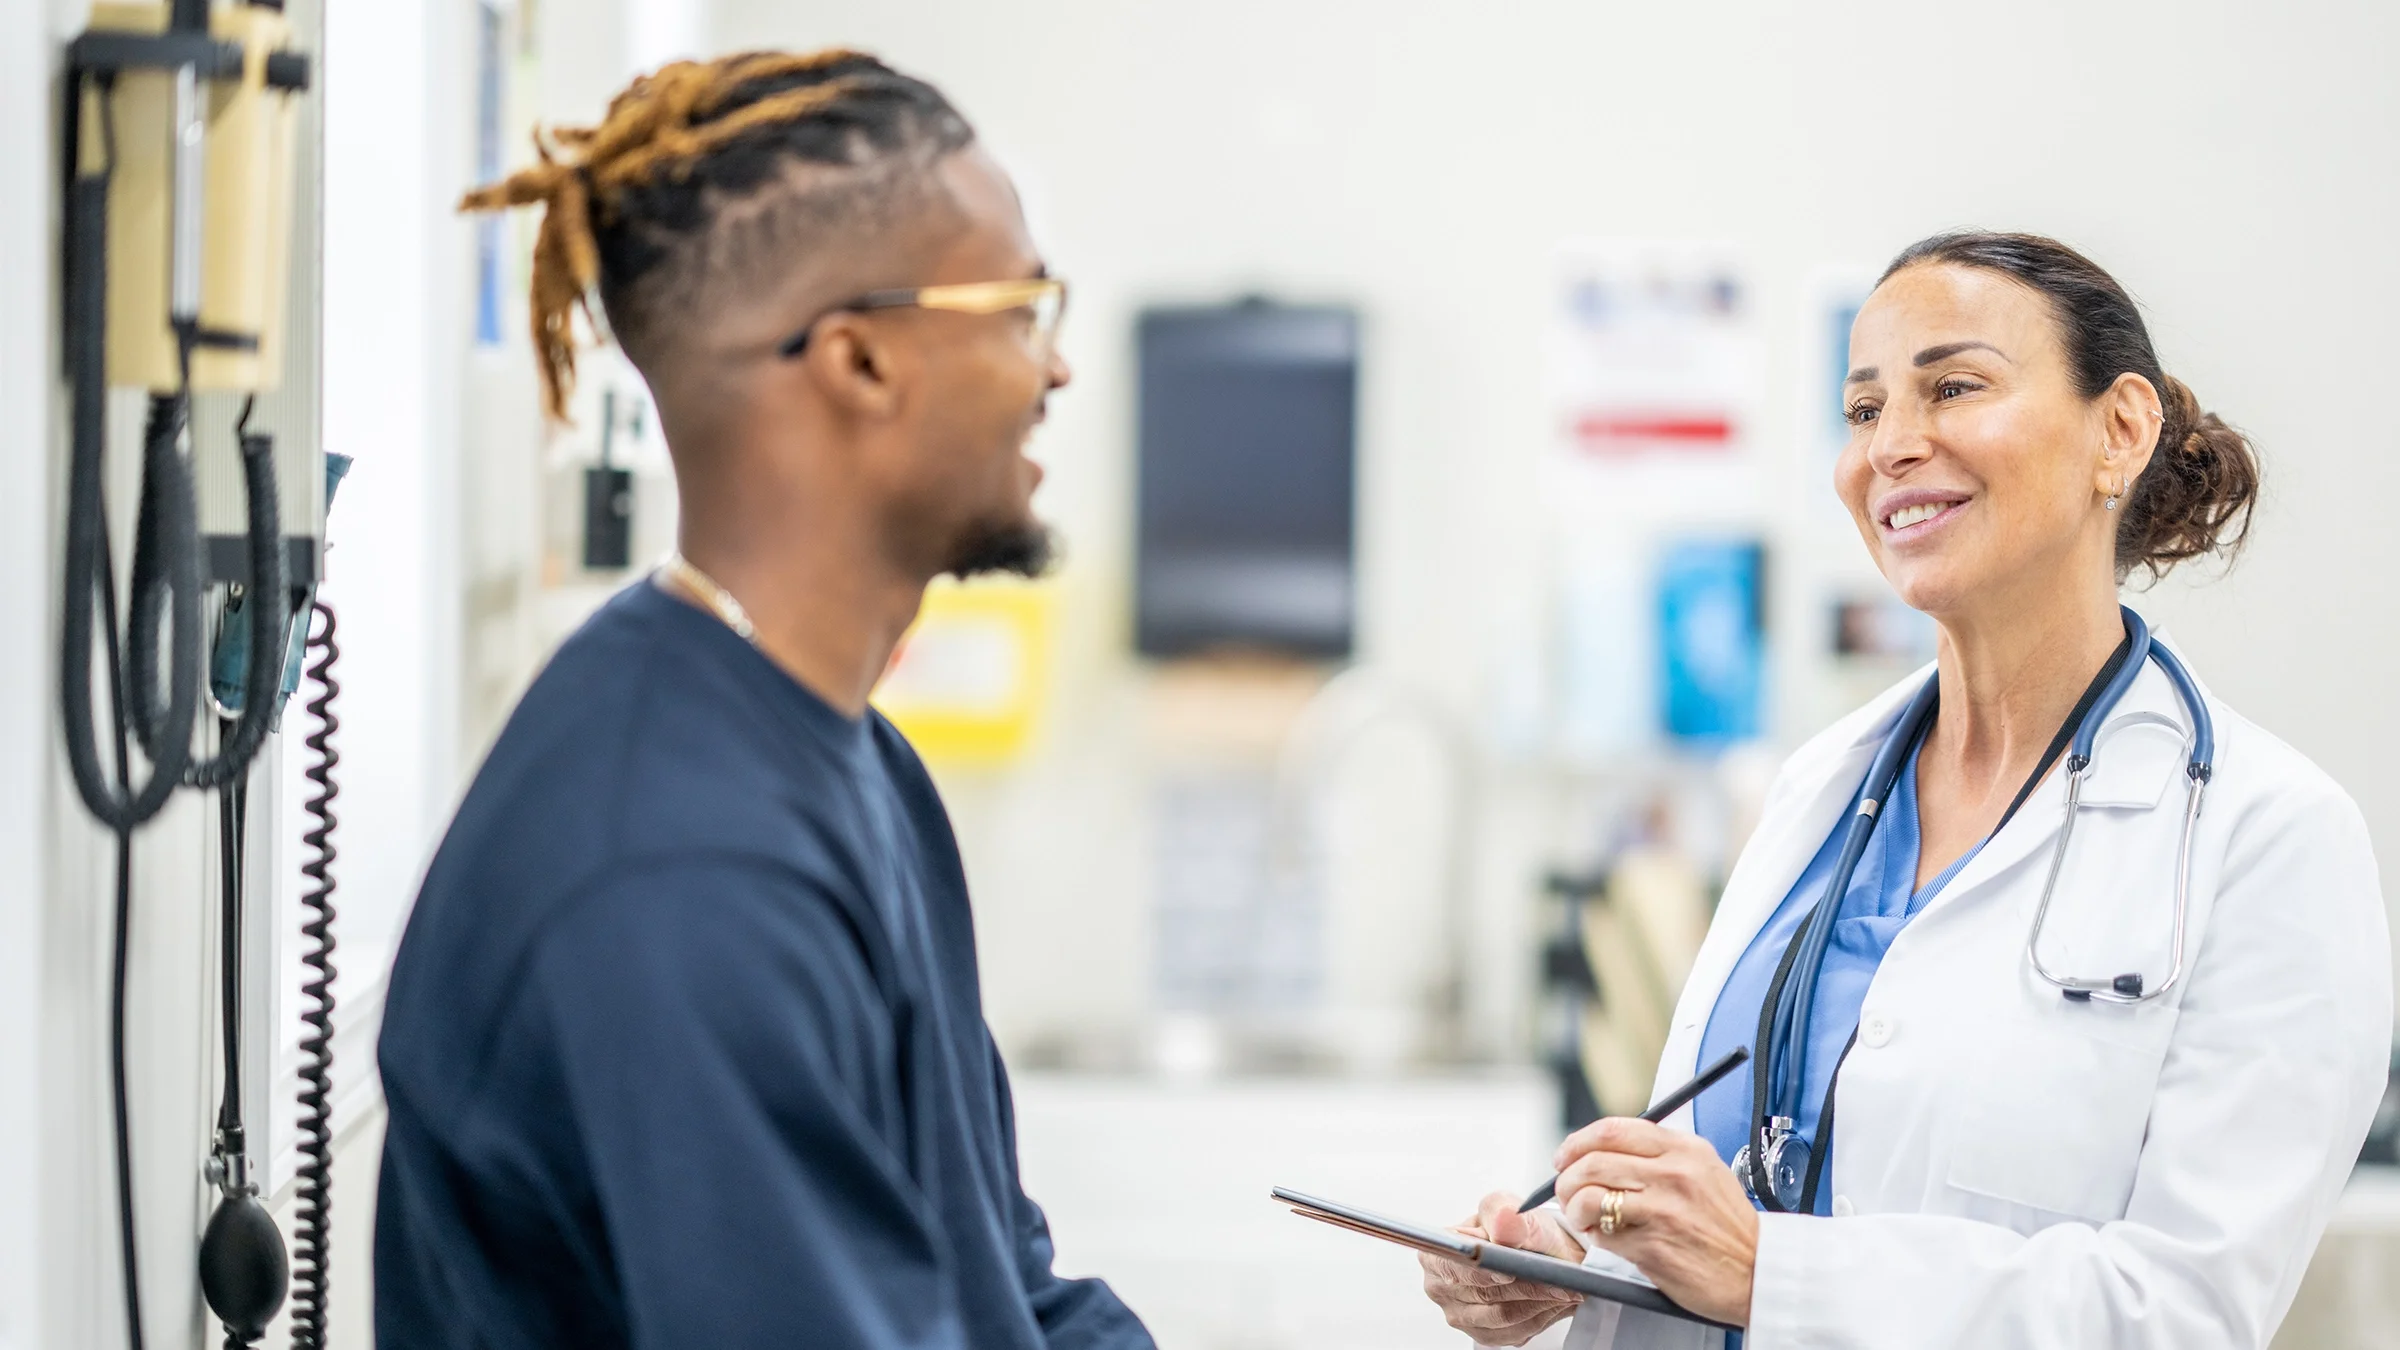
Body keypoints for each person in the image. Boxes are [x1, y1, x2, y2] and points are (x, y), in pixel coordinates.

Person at [1423, 232, 2390, 1348]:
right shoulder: (1819, 791)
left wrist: (1772, 1275)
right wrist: (1580, 1257)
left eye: (1955, 387)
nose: (1889, 445)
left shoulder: (2271, 837)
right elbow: (1759, 1170)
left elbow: (2182, 1315)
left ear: (2120, 430)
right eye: (1864, 409)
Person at [374, 50, 1153, 1350]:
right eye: (1021, 308)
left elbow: (1000, 1286)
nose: (1055, 368)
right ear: (860, 361)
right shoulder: (675, 872)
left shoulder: (855, 762)